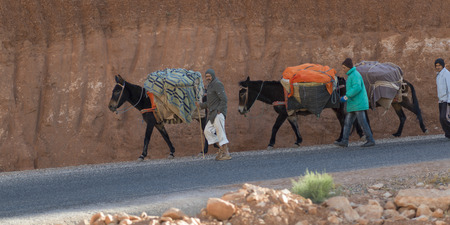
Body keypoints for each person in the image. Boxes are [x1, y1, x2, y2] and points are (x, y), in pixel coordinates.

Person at [335, 58, 375, 147]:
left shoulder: (355, 75)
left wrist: (346, 96)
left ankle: (370, 140)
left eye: (344, 67)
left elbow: (357, 88)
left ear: (349, 67)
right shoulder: (351, 75)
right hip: (353, 104)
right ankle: (344, 141)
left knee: (363, 123)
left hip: (358, 104)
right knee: (347, 123)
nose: (343, 69)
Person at [196, 69, 232, 160]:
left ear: (213, 75)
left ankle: (226, 153)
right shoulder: (210, 86)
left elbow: (224, 99)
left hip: (218, 113)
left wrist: (219, 110)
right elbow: (209, 103)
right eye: (206, 76)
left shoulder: (217, 84)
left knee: (220, 132)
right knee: (207, 131)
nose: (207, 78)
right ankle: (222, 149)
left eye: (209, 76)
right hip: (212, 114)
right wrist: (200, 105)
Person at [434, 58, 450, 139]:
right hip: (441, 100)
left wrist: (449, 101)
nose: (437, 67)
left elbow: (449, 87)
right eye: (436, 65)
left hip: (446, 100)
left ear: (443, 65)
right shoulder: (438, 74)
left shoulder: (446, 74)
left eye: (439, 65)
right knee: (442, 119)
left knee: (444, 118)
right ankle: (448, 134)